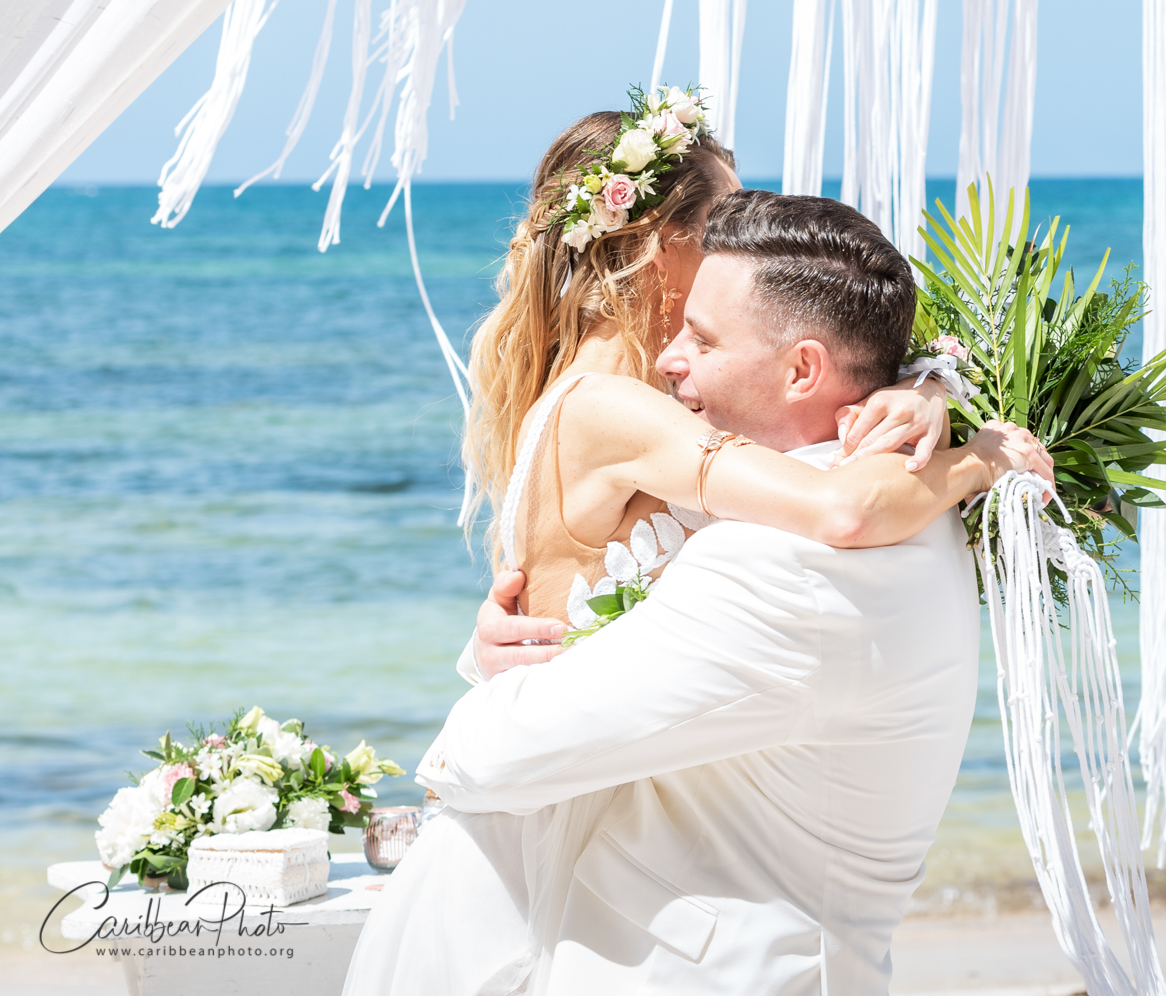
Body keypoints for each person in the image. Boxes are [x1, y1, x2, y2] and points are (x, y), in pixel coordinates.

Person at [341, 93, 1050, 995]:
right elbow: (835, 505)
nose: (732, 244)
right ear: (657, 245)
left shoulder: (618, 393)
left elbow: (829, 367)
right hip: (548, 803)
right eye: (719, 220)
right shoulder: (621, 408)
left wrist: (925, 387)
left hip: (583, 787)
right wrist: (973, 458)